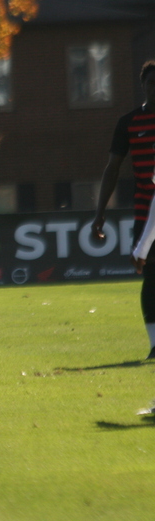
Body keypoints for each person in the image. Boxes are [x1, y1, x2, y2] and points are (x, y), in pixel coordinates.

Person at [93, 59, 155, 360]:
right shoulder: (129, 123)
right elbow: (113, 167)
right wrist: (100, 212)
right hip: (147, 209)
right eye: (151, 84)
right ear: (143, 87)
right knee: (152, 274)